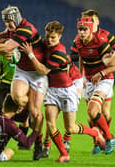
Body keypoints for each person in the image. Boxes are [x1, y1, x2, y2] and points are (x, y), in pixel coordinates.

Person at [20, 21, 105, 162]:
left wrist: (30, 55)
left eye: (53, 37)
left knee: (70, 128)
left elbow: (43, 70)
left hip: (67, 91)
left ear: (59, 36)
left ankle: (94, 132)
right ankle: (64, 154)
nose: (49, 40)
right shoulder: (45, 44)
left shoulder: (59, 52)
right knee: (50, 123)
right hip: (52, 91)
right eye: (47, 36)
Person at [0, 5, 48, 160]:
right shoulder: (12, 29)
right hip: (22, 71)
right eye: (5, 22)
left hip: (36, 73)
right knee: (16, 98)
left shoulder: (26, 29)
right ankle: (31, 103)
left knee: (35, 112)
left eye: (9, 21)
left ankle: (38, 144)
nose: (7, 24)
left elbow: (7, 46)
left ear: (16, 18)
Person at [70, 16, 115, 155]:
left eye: (84, 29)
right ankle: (97, 142)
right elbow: (75, 59)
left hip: (104, 79)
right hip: (88, 80)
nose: (82, 32)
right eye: (80, 29)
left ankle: (109, 138)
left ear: (90, 29)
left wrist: (101, 73)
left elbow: (112, 65)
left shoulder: (100, 42)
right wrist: (81, 76)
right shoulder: (77, 42)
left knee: (94, 111)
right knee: (91, 117)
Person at [0, 94, 42, 161]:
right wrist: (37, 128)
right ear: (19, 109)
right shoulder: (9, 125)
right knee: (10, 151)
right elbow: (27, 144)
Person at [0, 51, 30, 149]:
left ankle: (22, 143)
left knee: (23, 117)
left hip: (23, 85)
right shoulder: (2, 48)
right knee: (4, 116)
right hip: (6, 84)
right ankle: (0, 143)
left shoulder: (25, 48)